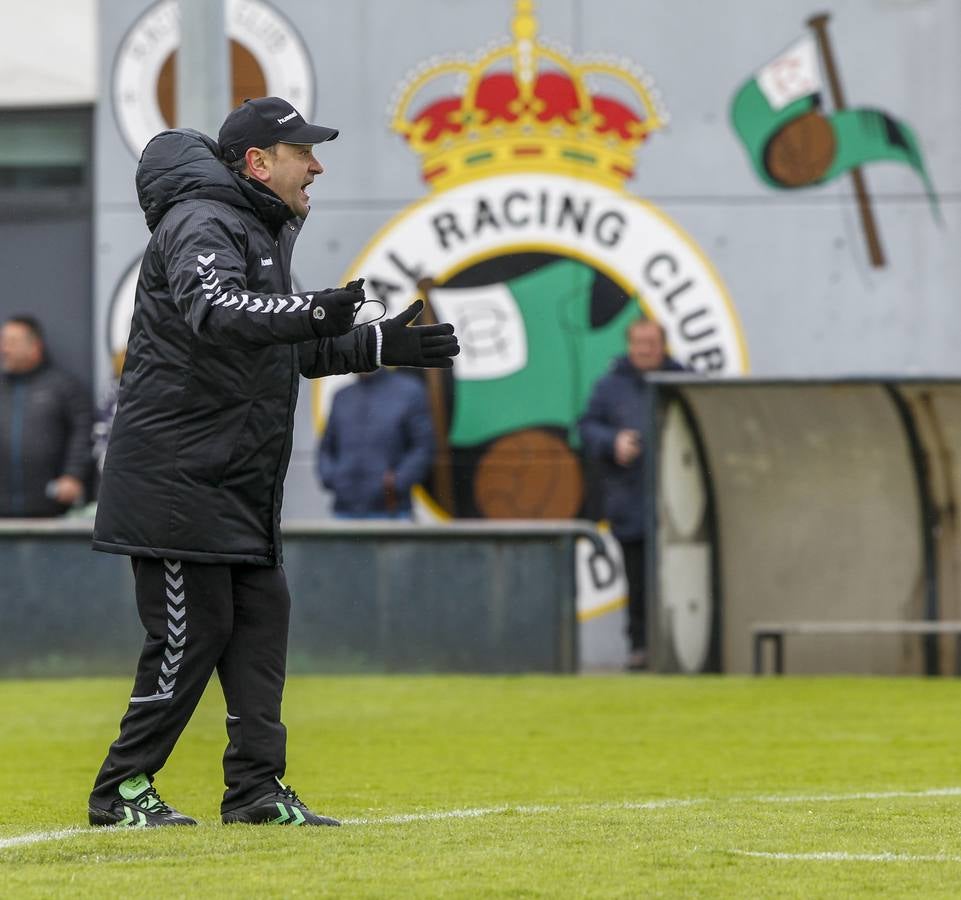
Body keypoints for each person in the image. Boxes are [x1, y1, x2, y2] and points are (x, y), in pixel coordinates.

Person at [87, 97, 459, 829]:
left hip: (236, 483)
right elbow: (217, 311)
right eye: (303, 153)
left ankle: (256, 792)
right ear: (258, 162)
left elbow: (278, 341)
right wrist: (317, 309)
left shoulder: (251, 229)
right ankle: (121, 789)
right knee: (192, 634)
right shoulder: (203, 220)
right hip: (177, 482)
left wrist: (381, 346)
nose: (316, 165)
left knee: (259, 628)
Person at [579, 318, 685, 672]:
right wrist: (613, 443)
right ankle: (640, 648)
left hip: (682, 507)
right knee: (637, 582)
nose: (644, 349)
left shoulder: (685, 381)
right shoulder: (610, 387)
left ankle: (682, 646)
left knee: (682, 580)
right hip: (630, 501)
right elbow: (587, 428)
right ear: (629, 345)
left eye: (651, 342)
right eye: (638, 343)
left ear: (663, 344)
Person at [0, 315, 92, 516]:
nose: (4, 349)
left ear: (35, 347)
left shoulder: (64, 386)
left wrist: (73, 475)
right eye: (3, 342)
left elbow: (84, 431)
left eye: (12, 342)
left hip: (51, 511)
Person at [317, 369, 434, 519]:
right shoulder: (342, 396)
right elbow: (326, 447)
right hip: (343, 511)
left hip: (392, 511)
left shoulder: (409, 392)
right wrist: (333, 478)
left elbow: (423, 446)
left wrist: (396, 482)